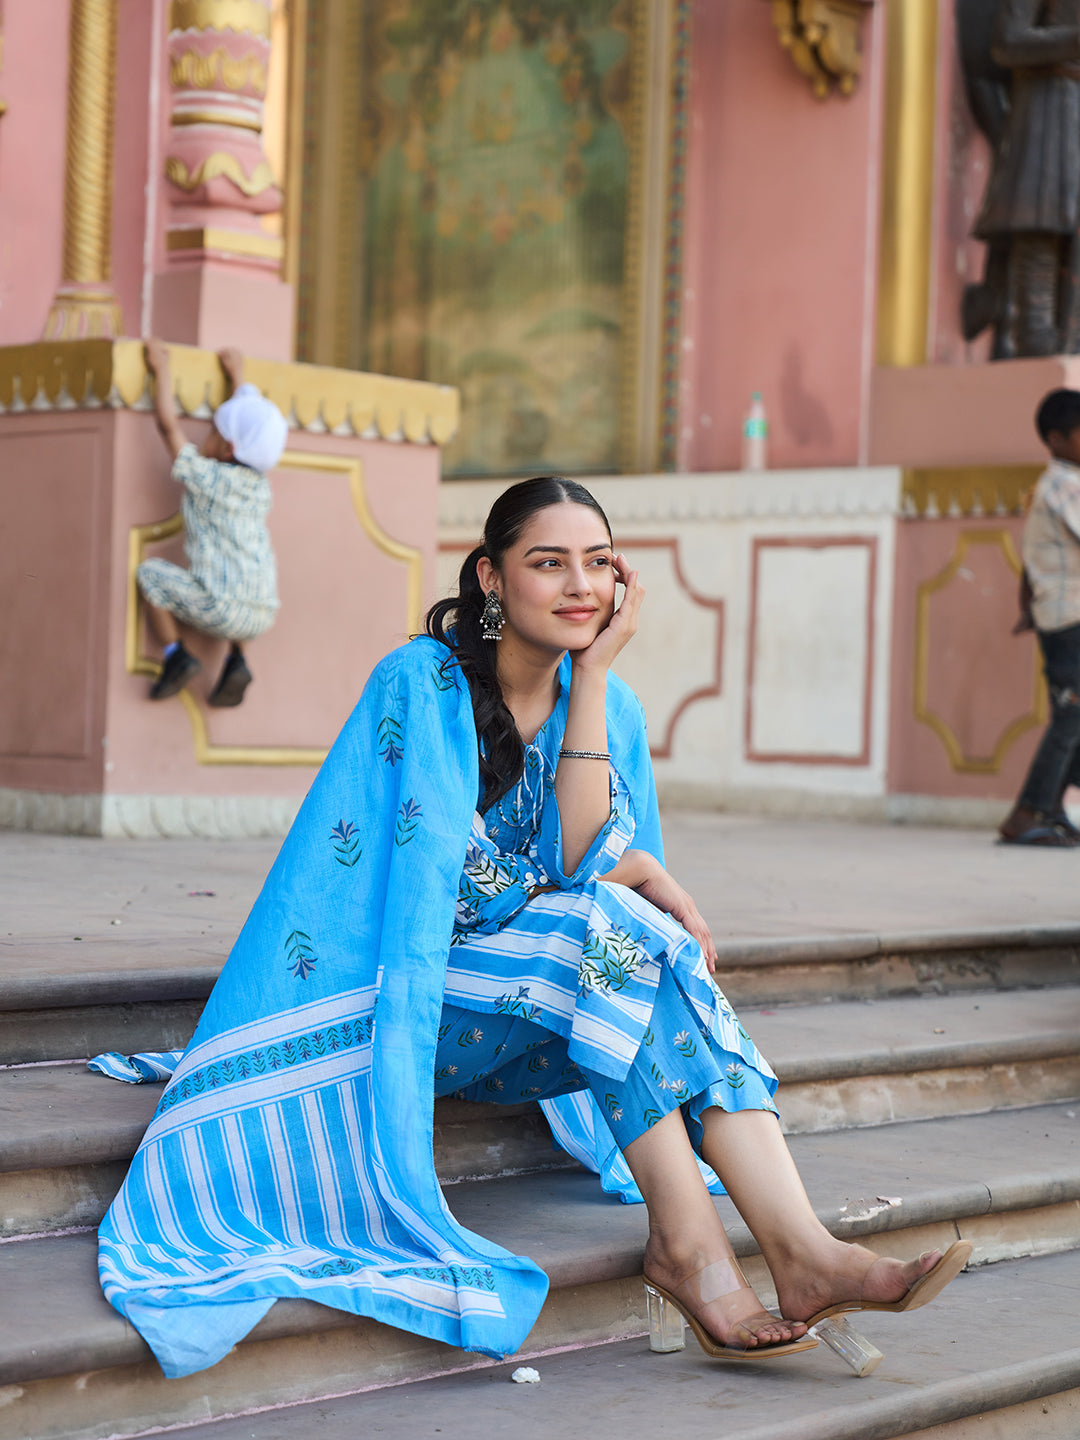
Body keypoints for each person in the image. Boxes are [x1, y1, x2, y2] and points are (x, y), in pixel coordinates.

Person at [96, 477, 969, 1380]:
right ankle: (706, 1253)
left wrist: (593, 683)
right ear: (491, 577)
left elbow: (585, 860)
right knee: (611, 928)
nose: (580, 585)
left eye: (598, 563)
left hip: (540, 1010)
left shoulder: (610, 705)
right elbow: (449, 891)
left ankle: (789, 1254)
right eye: (549, 563)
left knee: (624, 937)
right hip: (409, 1005)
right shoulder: (421, 683)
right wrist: (625, 876)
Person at [136, 339, 287, 707]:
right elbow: (247, 427)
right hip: (263, 611)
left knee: (149, 575)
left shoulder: (205, 477)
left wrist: (162, 369)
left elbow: (167, 426)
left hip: (220, 608)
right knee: (243, 580)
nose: (207, 434)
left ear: (227, 447)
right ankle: (237, 660)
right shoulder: (260, 486)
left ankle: (175, 655)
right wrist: (239, 376)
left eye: (213, 431)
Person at [1000, 389, 1080, 845]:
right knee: (1071, 716)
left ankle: (1050, 809)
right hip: (1070, 617)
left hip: (1062, 615)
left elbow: (1030, 562)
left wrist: (1027, 604)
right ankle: (1026, 813)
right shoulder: (1063, 486)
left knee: (1073, 716)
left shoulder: (1057, 486)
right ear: (1056, 439)